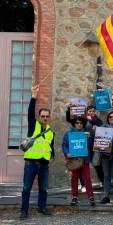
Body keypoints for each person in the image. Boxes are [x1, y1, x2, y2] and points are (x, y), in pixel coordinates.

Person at [20, 85, 55, 220]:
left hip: (44, 165)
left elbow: (50, 147)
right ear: (39, 117)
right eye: (43, 116)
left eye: (47, 116)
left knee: (43, 189)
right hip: (31, 163)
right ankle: (24, 211)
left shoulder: (51, 132)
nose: (45, 118)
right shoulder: (33, 126)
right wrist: (34, 96)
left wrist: (52, 156)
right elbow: (30, 112)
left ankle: (42, 208)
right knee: (26, 188)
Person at [62, 117, 95, 206]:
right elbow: (64, 145)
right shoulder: (68, 133)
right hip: (73, 160)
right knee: (74, 178)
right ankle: (75, 196)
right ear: (74, 123)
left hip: (84, 159)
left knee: (87, 178)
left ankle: (91, 196)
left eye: (81, 123)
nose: (79, 124)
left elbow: (92, 146)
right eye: (77, 123)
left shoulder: (86, 133)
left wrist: (89, 138)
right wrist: (67, 153)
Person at [100, 111, 113, 204]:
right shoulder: (103, 127)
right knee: (106, 176)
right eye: (110, 117)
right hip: (105, 156)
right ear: (108, 118)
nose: (112, 118)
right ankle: (106, 196)